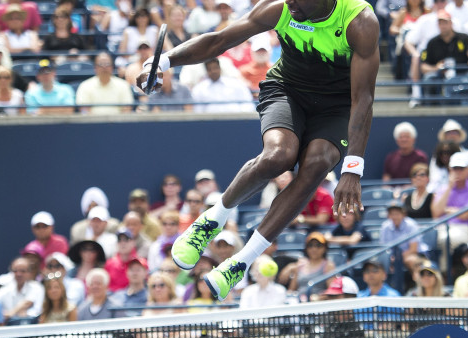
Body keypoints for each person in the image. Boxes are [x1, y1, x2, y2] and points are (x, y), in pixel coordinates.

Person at [137, 0, 379, 300]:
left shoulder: (360, 22)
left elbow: (364, 98)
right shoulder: (280, 8)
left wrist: (353, 168)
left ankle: (241, 261)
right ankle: (211, 220)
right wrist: (162, 61)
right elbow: (220, 39)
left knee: (318, 164)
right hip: (287, 90)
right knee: (279, 156)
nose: (289, 2)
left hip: (337, 107)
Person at [431, 151, 468, 269]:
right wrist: (449, 187)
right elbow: (436, 212)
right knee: (429, 239)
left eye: (461, 168)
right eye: (455, 169)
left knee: (446, 239)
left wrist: (447, 210)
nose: (458, 172)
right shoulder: (444, 188)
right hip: (441, 227)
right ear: (450, 170)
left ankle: (444, 274)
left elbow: (466, 215)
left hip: (463, 229)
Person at [419, 10, 468, 98]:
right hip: (440, 75)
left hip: (462, 72)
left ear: (451, 23)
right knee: (429, 78)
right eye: (440, 23)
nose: (443, 26)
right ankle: (431, 106)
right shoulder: (432, 43)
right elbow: (423, 66)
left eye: (445, 22)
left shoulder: (463, 38)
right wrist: (436, 68)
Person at [278, 232, 337, 299]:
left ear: (325, 248)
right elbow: (291, 290)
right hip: (299, 303)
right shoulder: (300, 265)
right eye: (310, 245)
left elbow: (332, 292)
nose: (314, 249)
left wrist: (317, 298)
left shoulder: (328, 265)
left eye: (318, 245)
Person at [190, 58, 256, 113]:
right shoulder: (199, 89)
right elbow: (198, 111)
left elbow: (247, 103)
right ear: (206, 71)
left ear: (220, 68)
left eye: (215, 68)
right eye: (210, 69)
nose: (213, 71)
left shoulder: (235, 84)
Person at [0, 256, 45, 321]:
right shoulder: (5, 289)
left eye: (23, 271)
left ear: (29, 273)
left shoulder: (37, 288)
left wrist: (12, 314)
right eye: (15, 271)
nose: (19, 274)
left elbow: (37, 310)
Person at [380, 200, 425, 270]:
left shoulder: (411, 225)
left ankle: (418, 280)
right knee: (379, 263)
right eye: (392, 214)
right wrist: (390, 258)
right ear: (388, 215)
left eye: (397, 214)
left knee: (412, 260)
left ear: (403, 214)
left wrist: (397, 258)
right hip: (392, 258)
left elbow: (413, 249)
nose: (394, 217)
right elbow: (383, 249)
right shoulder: (385, 226)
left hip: (412, 255)